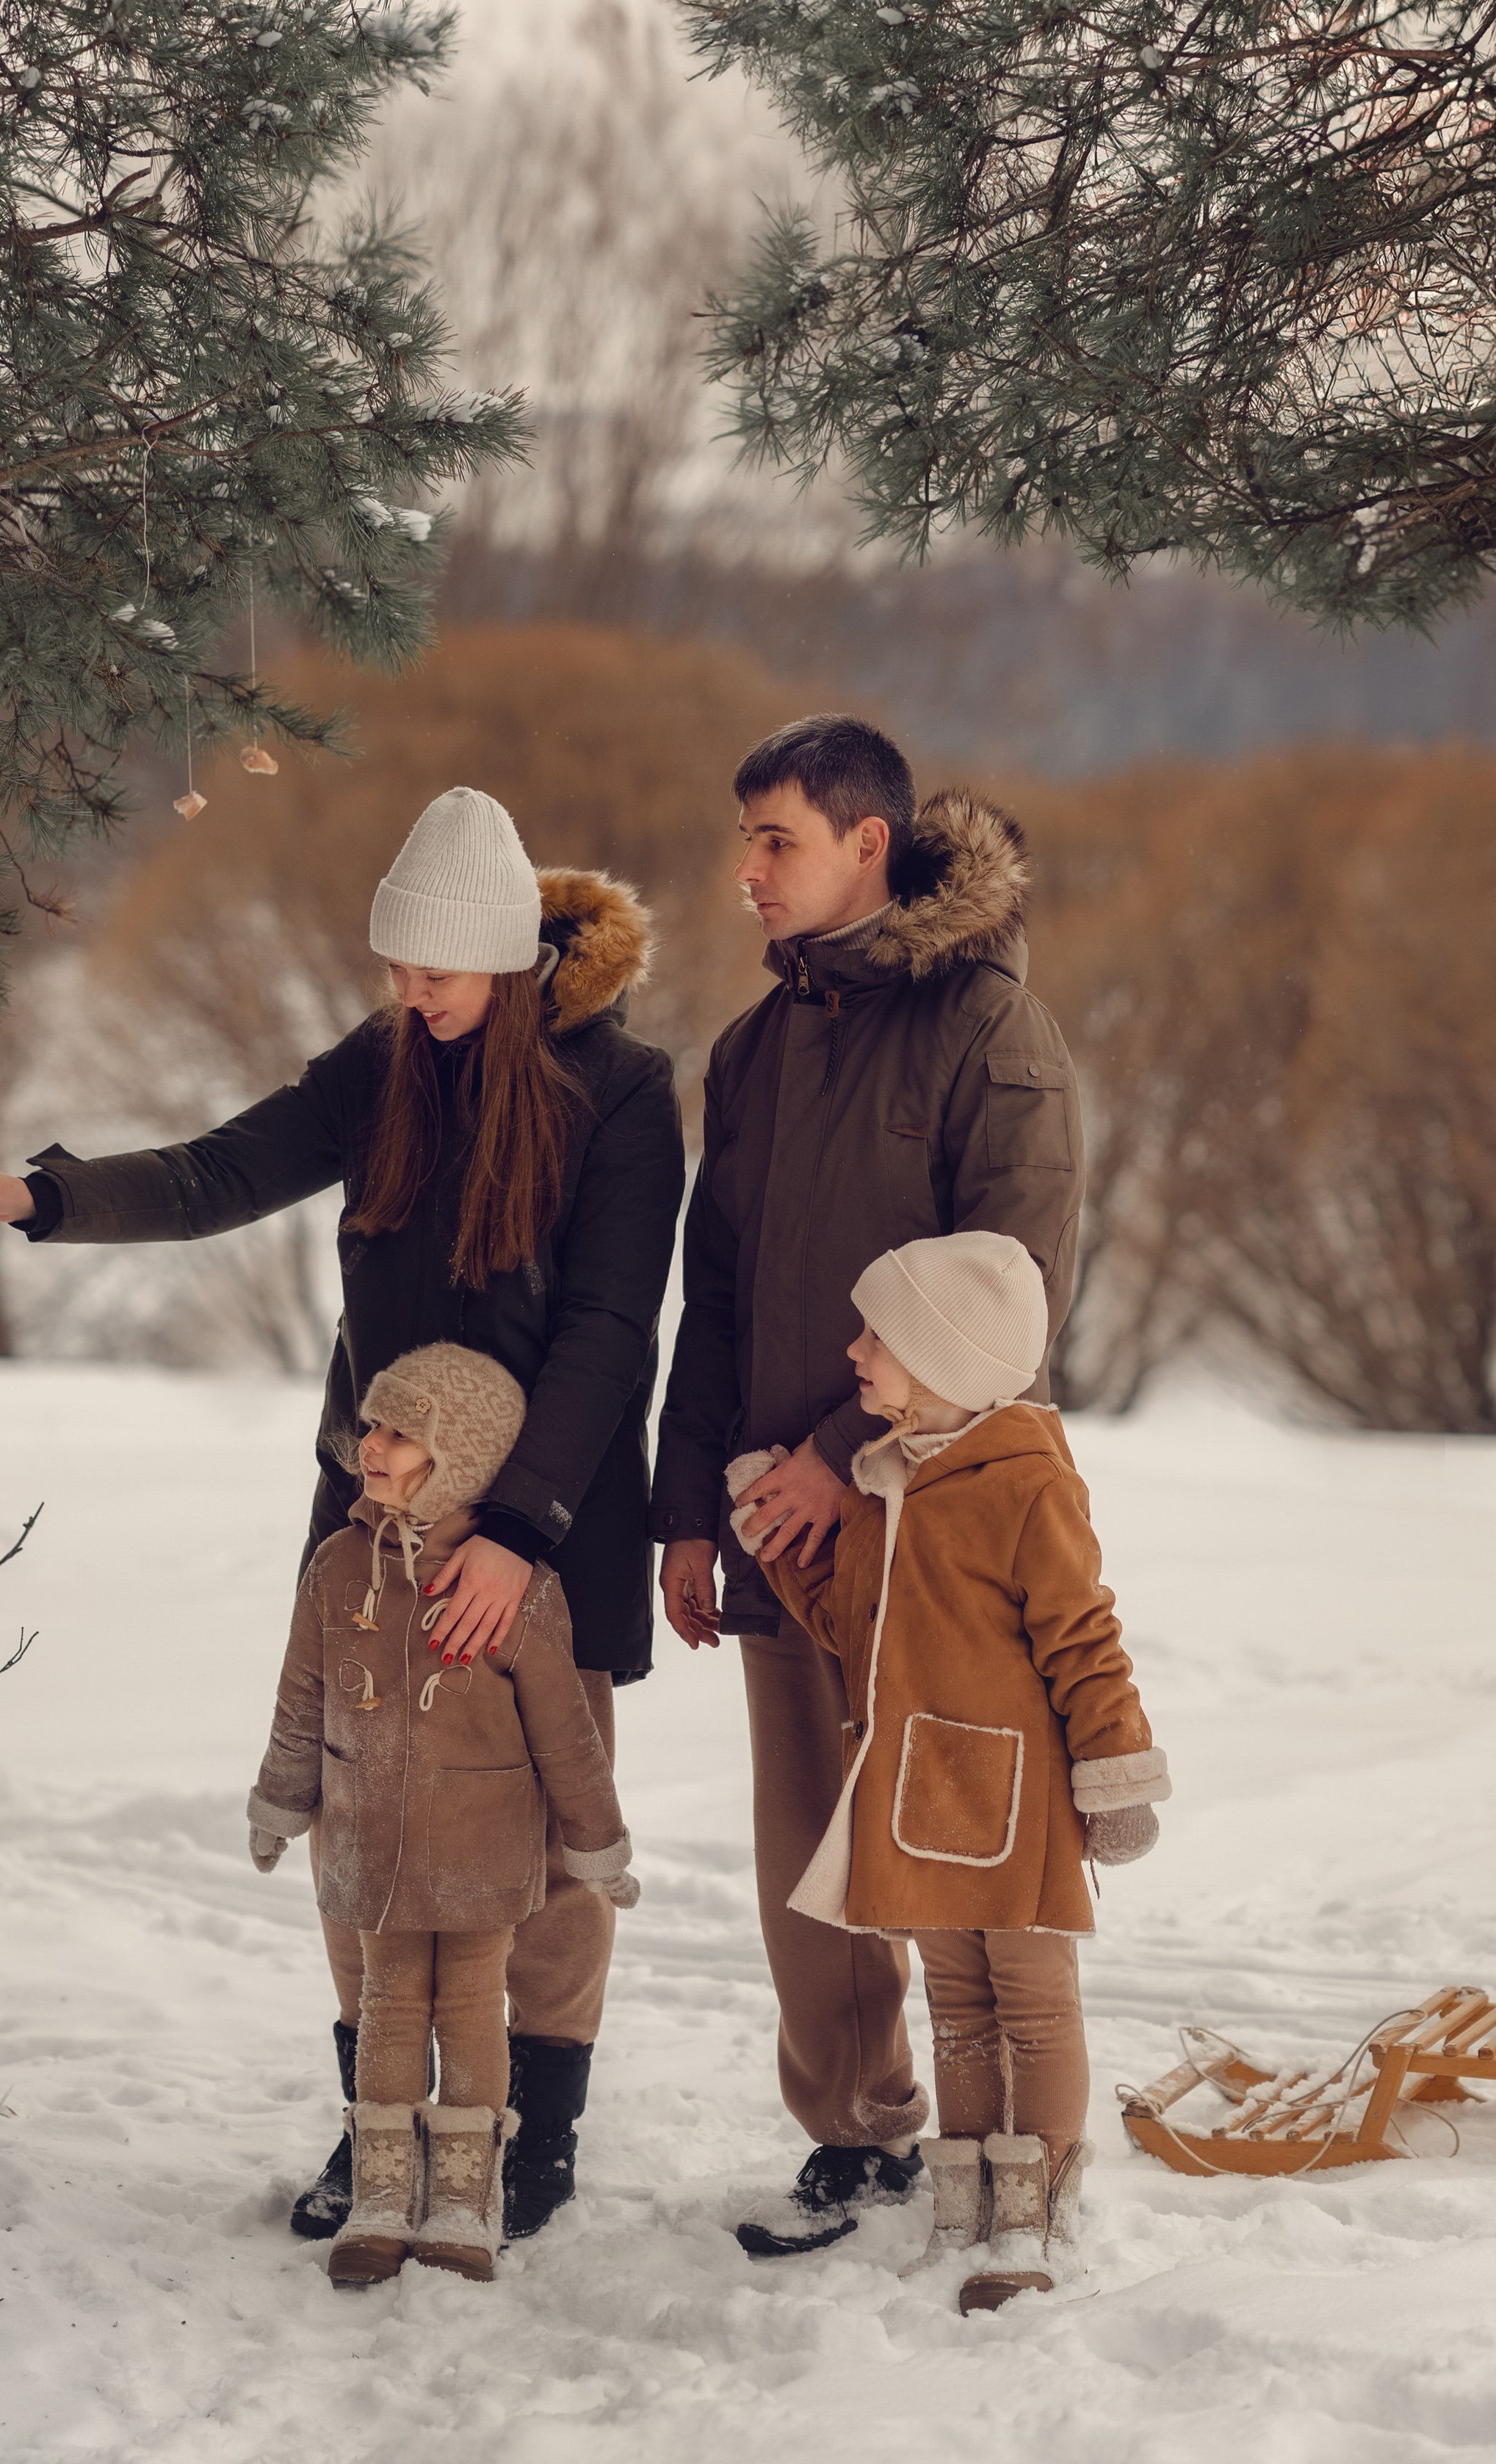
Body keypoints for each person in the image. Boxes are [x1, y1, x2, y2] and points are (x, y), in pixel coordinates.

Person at [0, 787, 684, 2241]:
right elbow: (216, 1173)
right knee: (364, 1805)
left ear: (508, 962)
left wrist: (518, 1534)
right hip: (374, 1510)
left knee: (541, 1833)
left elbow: (608, 1333)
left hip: (546, 1519)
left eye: (434, 973)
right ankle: (375, 2120)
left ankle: (530, 2139)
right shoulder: (384, 1064)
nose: (408, 996)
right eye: (393, 968)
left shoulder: (621, 1096)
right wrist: (36, 1196)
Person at [649, 715, 1085, 2258]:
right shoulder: (753, 1050)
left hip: (938, 1538)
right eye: (744, 837)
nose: (745, 870)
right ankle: (857, 2139)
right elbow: (714, 1294)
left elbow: (1018, 1295)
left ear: (865, 845)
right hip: (770, 1526)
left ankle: (1016, 2160)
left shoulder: (987, 1030)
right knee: (802, 1859)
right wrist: (687, 1506)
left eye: (773, 839)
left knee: (966, 1849)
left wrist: (846, 1460)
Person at [729, 1230, 1168, 2313]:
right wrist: (776, 1541)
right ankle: (967, 2194)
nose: (854, 1351)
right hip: (918, 1799)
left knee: (1032, 2002)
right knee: (960, 2008)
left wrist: (1117, 1770)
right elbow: (847, 1623)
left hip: (1015, 1803)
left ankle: (1035, 2211)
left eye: (878, 1335)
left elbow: (1084, 1639)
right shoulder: (888, 1483)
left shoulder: (1025, 1484)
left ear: (945, 1354)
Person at [248, 1341, 637, 2286]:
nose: (368, 1447)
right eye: (371, 1425)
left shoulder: (521, 1591)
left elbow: (567, 1738)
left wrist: (596, 1846)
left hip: (481, 1861)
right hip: (370, 1855)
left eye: (398, 1433)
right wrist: (281, 1800)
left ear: (458, 1459)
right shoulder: (340, 1568)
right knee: (386, 2014)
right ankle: (384, 2193)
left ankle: (464, 2199)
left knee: (469, 2015)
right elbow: (302, 1695)